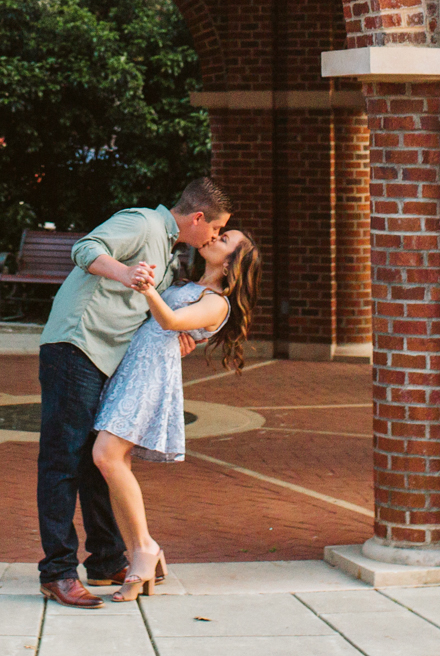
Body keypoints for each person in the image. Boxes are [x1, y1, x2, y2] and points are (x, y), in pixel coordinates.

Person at [35, 177, 232, 609]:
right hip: (77, 345)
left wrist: (178, 336)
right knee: (62, 459)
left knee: (94, 461)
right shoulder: (143, 224)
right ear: (198, 218)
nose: (214, 237)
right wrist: (124, 272)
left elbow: (156, 314)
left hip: (106, 358)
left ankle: (106, 559)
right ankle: (58, 572)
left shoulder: (167, 254)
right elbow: (85, 249)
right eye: (215, 229)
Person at [89, 228, 260, 600]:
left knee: (106, 455)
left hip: (150, 377)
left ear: (233, 262)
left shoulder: (216, 301)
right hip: (131, 368)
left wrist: (147, 287)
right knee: (114, 463)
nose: (215, 238)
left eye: (225, 238)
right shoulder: (186, 283)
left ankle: (145, 549)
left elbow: (169, 322)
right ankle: (143, 552)